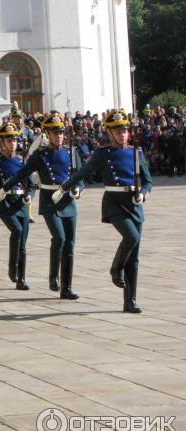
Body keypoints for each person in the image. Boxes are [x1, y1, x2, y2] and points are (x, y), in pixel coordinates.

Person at [52, 109, 153, 313]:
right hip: (114, 202)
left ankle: (130, 300)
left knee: (134, 256)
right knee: (131, 237)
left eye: (124, 131)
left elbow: (148, 181)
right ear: (110, 133)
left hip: (134, 202)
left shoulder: (136, 152)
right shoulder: (103, 153)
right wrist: (64, 188)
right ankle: (115, 269)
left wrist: (143, 193)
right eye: (117, 132)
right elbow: (84, 171)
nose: (122, 135)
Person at [2, 112, 84, 299]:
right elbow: (22, 173)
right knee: (60, 238)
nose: (59, 136)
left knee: (70, 245)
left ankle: (67, 287)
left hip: (68, 201)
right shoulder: (41, 155)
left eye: (61, 132)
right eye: (55, 133)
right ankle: (53, 276)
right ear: (47, 134)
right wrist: (4, 188)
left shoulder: (71, 152)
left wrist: (78, 189)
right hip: (50, 200)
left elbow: (80, 176)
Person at [0, 123, 35, 291]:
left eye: (14, 140)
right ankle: (12, 266)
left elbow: (31, 184)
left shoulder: (23, 161)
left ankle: (21, 278)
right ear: (2, 143)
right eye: (9, 140)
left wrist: (30, 195)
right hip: (4, 203)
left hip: (21, 202)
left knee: (22, 243)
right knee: (17, 231)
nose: (12, 143)